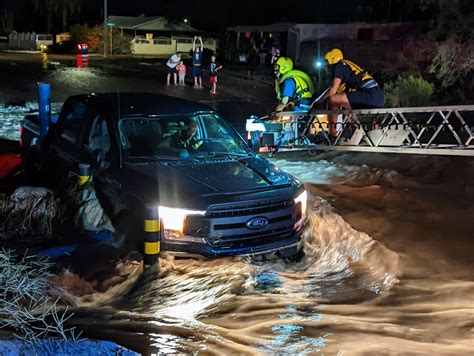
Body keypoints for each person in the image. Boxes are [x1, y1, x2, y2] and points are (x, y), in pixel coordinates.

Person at [324, 48, 384, 138]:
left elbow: (333, 91)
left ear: (332, 60)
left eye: (327, 64)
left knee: (332, 99)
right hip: (378, 96)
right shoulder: (349, 68)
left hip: (370, 96)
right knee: (343, 103)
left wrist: (318, 103)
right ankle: (361, 132)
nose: (326, 68)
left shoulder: (339, 66)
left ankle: (332, 134)